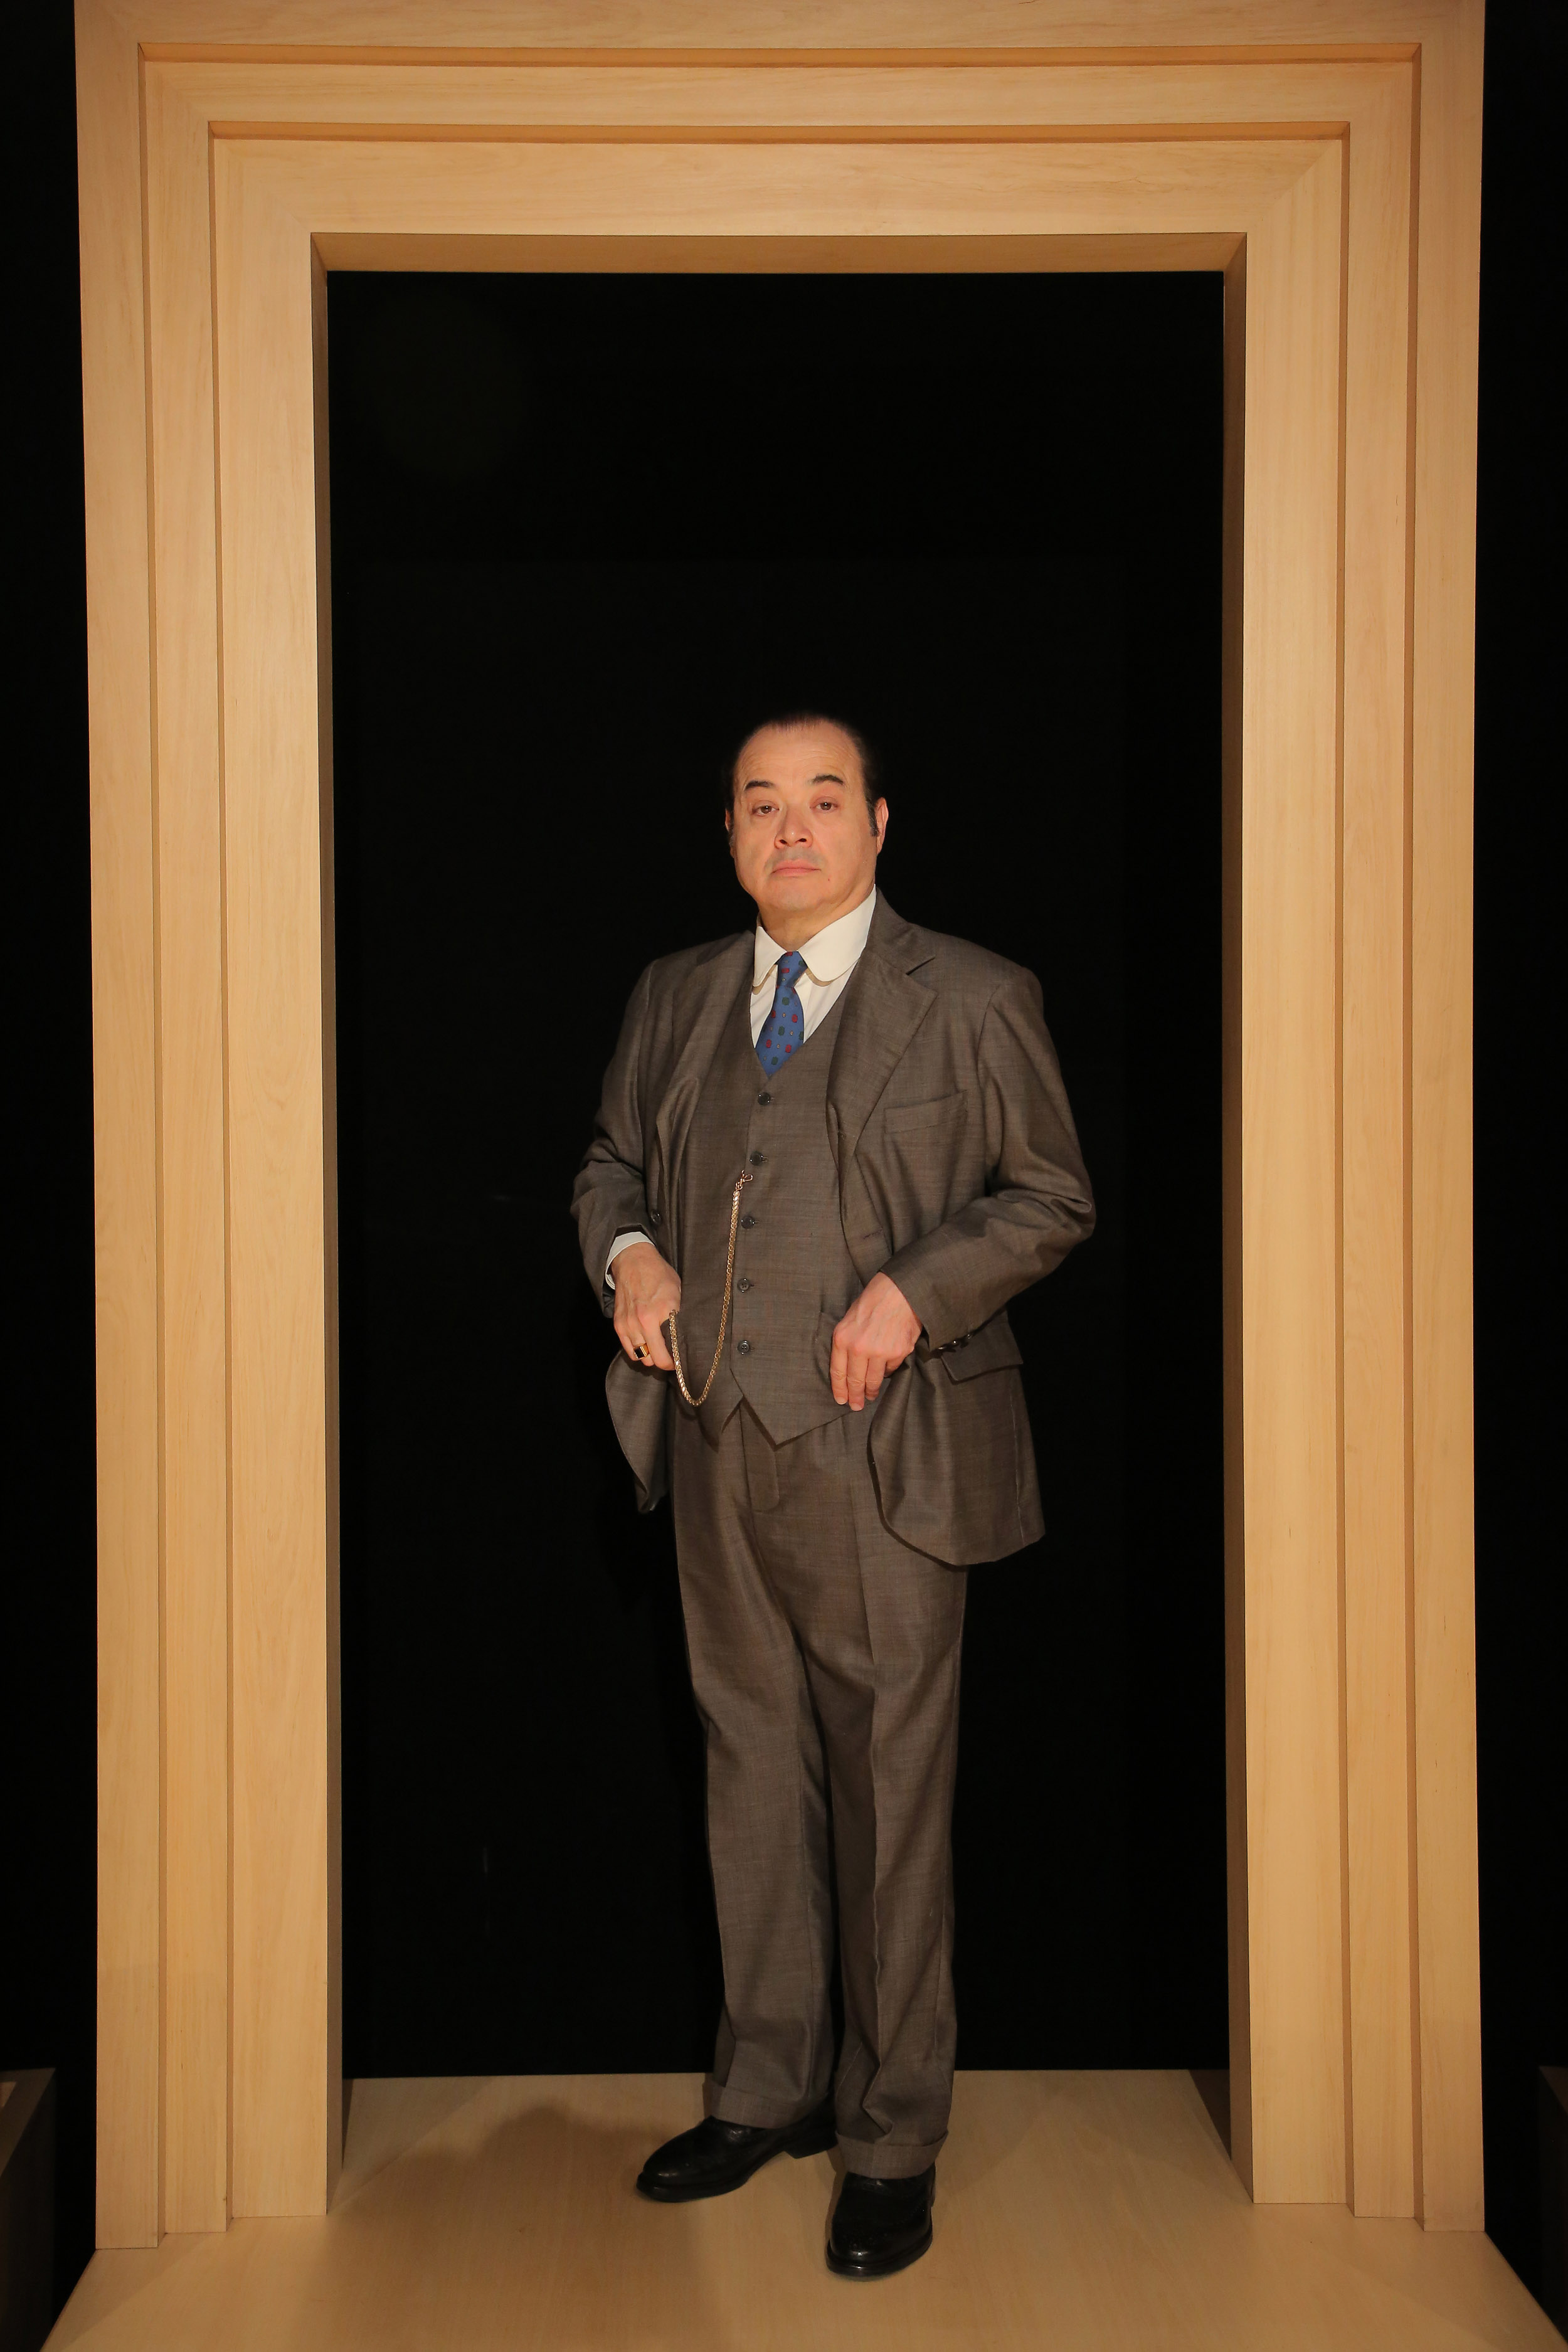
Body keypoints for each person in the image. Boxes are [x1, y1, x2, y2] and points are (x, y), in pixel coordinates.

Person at [571, 714, 1094, 2279]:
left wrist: (916, 1292)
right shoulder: (673, 994)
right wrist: (630, 1254)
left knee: (887, 1796)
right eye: (760, 804)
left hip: (887, 1457)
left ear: (877, 824)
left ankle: (888, 2139)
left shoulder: (974, 996)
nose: (789, 828)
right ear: (729, 834)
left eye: (820, 800)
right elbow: (608, 1166)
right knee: (746, 1769)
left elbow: (1050, 1196)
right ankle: (766, 2087)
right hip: (712, 1438)